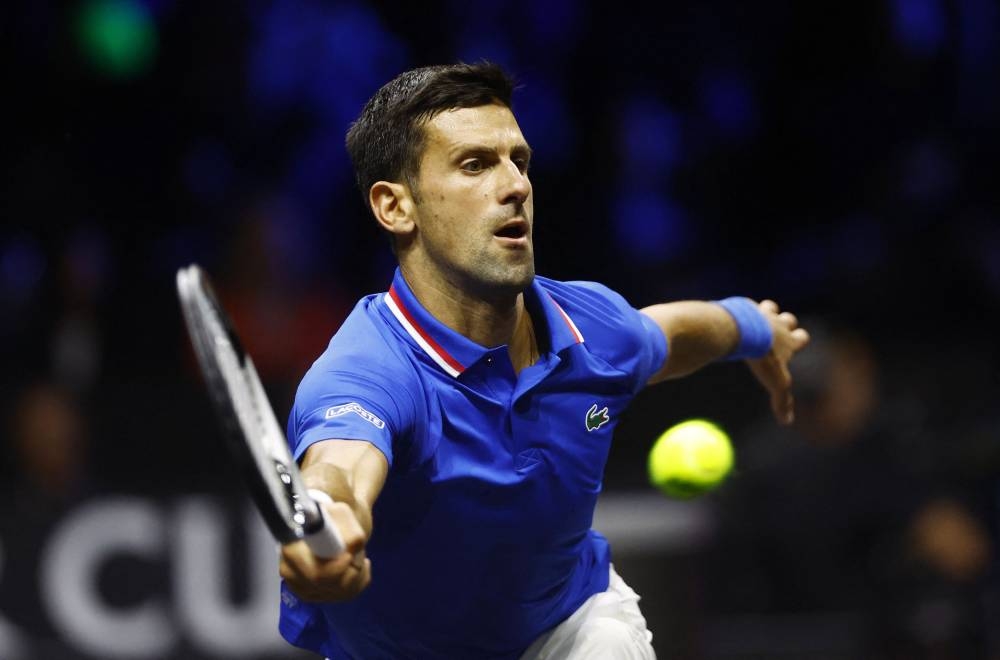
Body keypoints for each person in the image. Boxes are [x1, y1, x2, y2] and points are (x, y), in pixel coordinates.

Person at [277, 62, 809, 660]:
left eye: (519, 161)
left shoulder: (591, 328)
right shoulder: (368, 372)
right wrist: (327, 519)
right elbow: (340, 468)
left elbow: (673, 334)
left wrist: (754, 326)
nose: (515, 186)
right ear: (396, 207)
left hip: (568, 626)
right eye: (475, 164)